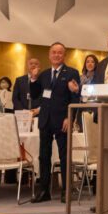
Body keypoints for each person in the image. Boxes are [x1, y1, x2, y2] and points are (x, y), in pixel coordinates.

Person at [32, 42, 80, 203]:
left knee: (64, 156)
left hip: (62, 120)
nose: (57, 55)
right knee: (44, 156)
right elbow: (35, 95)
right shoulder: (44, 74)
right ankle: (44, 191)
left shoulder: (72, 72)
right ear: (49, 55)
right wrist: (33, 78)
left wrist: (69, 117)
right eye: (54, 52)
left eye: (60, 52)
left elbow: (75, 97)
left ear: (64, 55)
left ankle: (66, 190)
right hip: (45, 120)